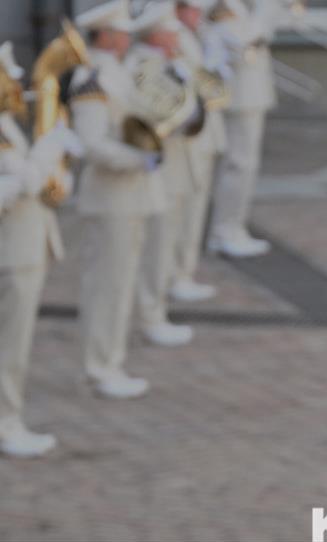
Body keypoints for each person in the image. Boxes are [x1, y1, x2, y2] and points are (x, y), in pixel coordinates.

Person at [71, 0, 164, 400]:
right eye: (123, 33)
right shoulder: (91, 78)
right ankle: (99, 367)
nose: (128, 39)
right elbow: (92, 144)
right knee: (106, 286)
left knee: (121, 282)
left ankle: (112, 361)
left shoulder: (117, 72)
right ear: (106, 36)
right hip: (110, 195)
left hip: (130, 195)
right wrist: (136, 159)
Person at [0, 41, 77, 456]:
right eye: (10, 80)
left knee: (15, 346)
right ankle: (6, 425)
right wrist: (45, 154)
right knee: (9, 348)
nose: (17, 88)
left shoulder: (7, 125)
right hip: (10, 253)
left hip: (26, 247)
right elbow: (21, 184)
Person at [128, 0, 199, 348]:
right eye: (172, 33)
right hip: (160, 170)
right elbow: (154, 116)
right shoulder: (143, 66)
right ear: (156, 36)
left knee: (164, 244)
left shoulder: (165, 63)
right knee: (155, 249)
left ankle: (157, 312)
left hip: (174, 166)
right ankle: (151, 317)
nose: (177, 39)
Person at [206, 0, 275, 257]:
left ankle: (234, 227)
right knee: (239, 165)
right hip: (239, 96)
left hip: (250, 95)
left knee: (245, 166)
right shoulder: (222, 5)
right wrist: (267, 9)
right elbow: (244, 44)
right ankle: (225, 231)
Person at [170, 0, 225, 303]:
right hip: (192, 139)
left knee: (195, 212)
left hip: (205, 135)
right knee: (185, 214)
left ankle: (184, 272)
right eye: (193, 8)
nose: (199, 14)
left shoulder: (195, 35)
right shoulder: (176, 37)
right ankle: (178, 275)